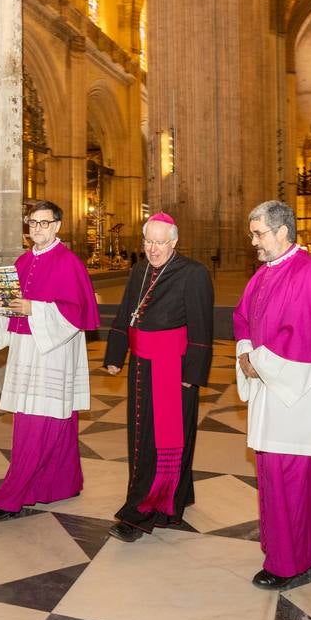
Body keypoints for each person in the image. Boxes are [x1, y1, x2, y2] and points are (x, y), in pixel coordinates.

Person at [234, 200, 311, 589]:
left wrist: (258, 361)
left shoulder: (307, 273)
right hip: (272, 384)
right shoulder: (268, 272)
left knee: (288, 473)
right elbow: (243, 316)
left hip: (295, 388)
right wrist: (247, 352)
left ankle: (288, 562)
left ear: (283, 231)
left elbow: (301, 335)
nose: (254, 242)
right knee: (276, 469)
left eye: (259, 233)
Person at [0, 201, 99, 519]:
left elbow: (77, 312)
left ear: (58, 225)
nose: (37, 229)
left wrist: (35, 309)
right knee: (48, 420)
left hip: (53, 351)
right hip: (25, 348)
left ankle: (12, 495)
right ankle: (59, 484)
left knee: (37, 423)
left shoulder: (69, 262)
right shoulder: (22, 260)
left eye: (44, 223)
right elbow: (12, 305)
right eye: (32, 223)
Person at [101, 213, 214, 541]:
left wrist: (192, 373)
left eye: (160, 242)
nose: (152, 249)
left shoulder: (193, 274)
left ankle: (142, 510)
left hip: (173, 368)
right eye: (148, 241)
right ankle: (178, 492)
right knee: (141, 434)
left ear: (174, 242)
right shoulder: (139, 269)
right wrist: (115, 354)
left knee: (161, 438)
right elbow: (127, 311)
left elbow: (201, 328)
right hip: (140, 365)